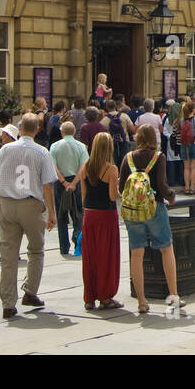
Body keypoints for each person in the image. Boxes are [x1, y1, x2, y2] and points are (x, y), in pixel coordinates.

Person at [0, 113, 57, 318]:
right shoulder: (42, 152)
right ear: (37, 130)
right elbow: (47, 186)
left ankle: (8, 303)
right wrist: (51, 212)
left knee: (9, 255)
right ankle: (30, 291)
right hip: (31, 204)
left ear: (20, 128)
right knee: (36, 250)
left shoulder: (5, 150)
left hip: (8, 203)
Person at [120, 125, 182, 315]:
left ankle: (141, 301)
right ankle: (173, 296)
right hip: (154, 207)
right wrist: (171, 197)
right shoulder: (158, 157)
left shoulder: (128, 158)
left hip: (133, 211)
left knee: (136, 254)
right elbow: (163, 185)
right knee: (166, 249)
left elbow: (122, 186)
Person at [79, 131, 123, 311]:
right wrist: (121, 191)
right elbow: (113, 196)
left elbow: (83, 197)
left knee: (90, 257)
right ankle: (105, 296)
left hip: (89, 215)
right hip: (106, 216)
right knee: (107, 256)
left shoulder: (85, 167)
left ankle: (89, 297)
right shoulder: (111, 169)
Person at [50, 120, 89, 255]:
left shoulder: (54, 146)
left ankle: (64, 247)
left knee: (61, 214)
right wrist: (74, 183)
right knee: (78, 212)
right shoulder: (81, 146)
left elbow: (53, 166)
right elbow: (83, 166)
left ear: (61, 132)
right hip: (76, 181)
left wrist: (63, 182)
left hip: (61, 183)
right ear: (74, 132)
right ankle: (77, 236)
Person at [176, 100, 195, 195]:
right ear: (193, 109)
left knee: (186, 167)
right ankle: (192, 188)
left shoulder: (181, 120)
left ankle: (186, 188)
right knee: (194, 167)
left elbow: (179, 130)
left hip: (184, 144)